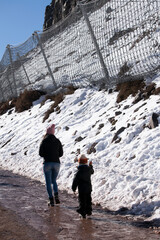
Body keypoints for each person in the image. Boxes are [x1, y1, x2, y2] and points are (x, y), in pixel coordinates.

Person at [39, 124, 63, 206]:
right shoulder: (57, 141)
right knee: (54, 181)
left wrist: (47, 154)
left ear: (47, 132)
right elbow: (61, 154)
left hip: (47, 163)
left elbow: (40, 153)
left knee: (48, 182)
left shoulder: (44, 141)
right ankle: (56, 196)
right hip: (56, 163)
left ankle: (51, 200)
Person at [72, 154, 94, 218]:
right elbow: (92, 172)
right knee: (88, 199)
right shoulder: (89, 169)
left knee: (82, 200)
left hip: (81, 189)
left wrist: (73, 187)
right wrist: (91, 166)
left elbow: (75, 180)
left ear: (79, 163)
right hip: (88, 188)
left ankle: (83, 212)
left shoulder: (79, 171)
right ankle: (89, 211)